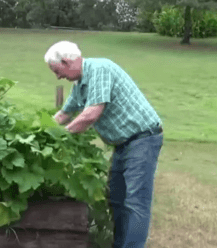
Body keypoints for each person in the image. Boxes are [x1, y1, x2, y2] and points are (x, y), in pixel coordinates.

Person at [44, 41, 164, 248]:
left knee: (135, 203)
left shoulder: (100, 69)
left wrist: (61, 136)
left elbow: (91, 114)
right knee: (117, 199)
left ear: (66, 61)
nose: (58, 77)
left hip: (143, 138)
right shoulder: (79, 85)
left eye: (57, 70)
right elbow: (63, 114)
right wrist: (40, 132)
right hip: (123, 144)